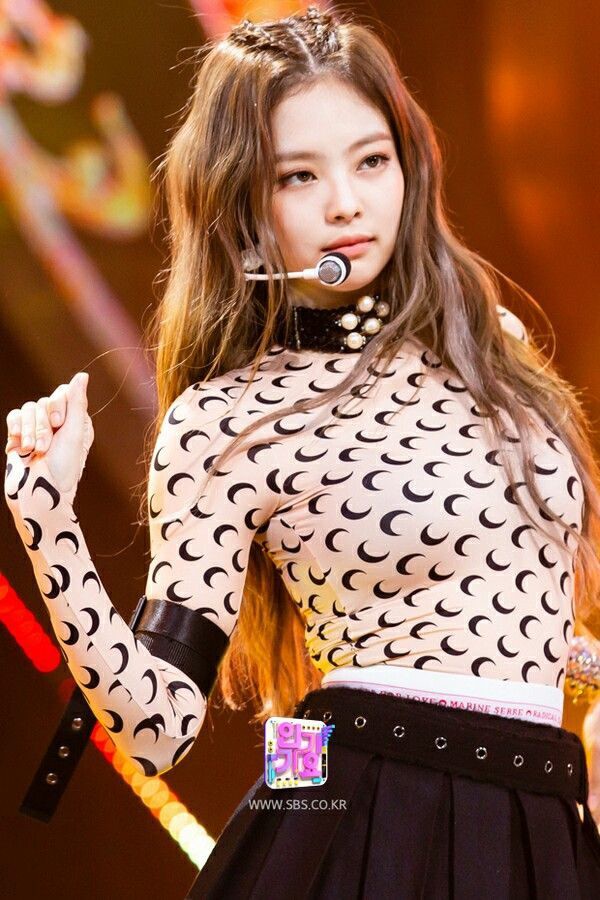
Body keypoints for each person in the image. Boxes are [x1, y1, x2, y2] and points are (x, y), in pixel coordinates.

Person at [4, 5, 600, 897]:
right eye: (298, 176)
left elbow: (512, 598)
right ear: (241, 201)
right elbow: (158, 728)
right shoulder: (227, 420)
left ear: (410, 165)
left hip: (542, 816)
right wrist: (47, 522)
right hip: (373, 823)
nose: (346, 202)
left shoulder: (491, 346)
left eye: (371, 160)